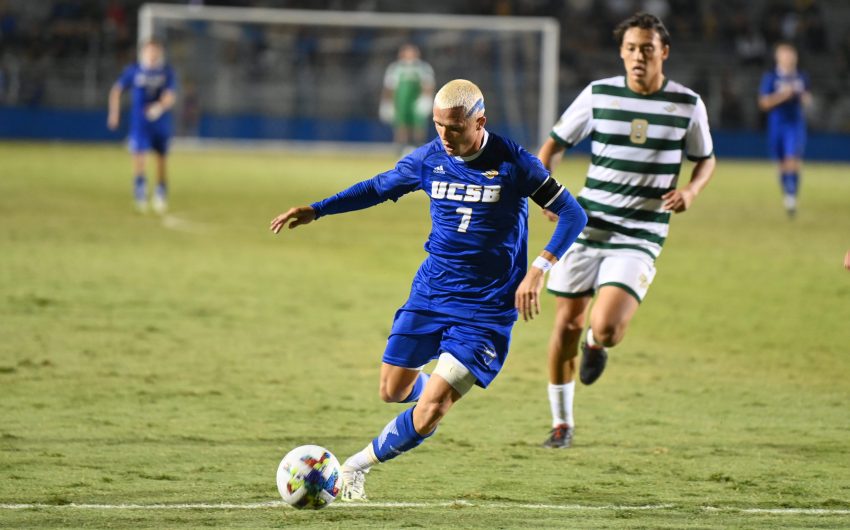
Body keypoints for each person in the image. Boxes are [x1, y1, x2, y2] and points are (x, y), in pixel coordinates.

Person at [270, 79, 587, 500]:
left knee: (431, 408)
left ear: (480, 122)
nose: (445, 136)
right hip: (432, 293)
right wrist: (319, 209)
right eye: (438, 126)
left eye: (454, 128)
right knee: (392, 391)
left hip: (487, 308)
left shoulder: (515, 162)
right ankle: (430, 396)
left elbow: (572, 213)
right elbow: (377, 187)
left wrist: (539, 268)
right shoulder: (429, 159)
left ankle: (354, 468)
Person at [535, 12, 716, 448]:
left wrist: (691, 191)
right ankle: (562, 425)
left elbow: (705, 158)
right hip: (588, 224)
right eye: (632, 48)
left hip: (640, 233)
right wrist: (547, 193)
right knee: (567, 325)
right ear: (622, 52)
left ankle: (599, 345)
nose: (639, 56)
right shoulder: (598, 95)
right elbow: (554, 146)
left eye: (647, 49)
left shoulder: (687, 104)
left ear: (664, 52)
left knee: (608, 326)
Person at [108, 39, 177, 214]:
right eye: (149, 51)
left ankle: (160, 190)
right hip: (139, 122)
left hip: (160, 122)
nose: (152, 54)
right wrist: (114, 113)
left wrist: (158, 107)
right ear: (144, 52)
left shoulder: (166, 72)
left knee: (161, 158)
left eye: (155, 51)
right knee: (139, 155)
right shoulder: (134, 71)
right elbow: (116, 90)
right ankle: (140, 187)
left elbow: (170, 96)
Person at [758, 42, 811, 218]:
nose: (788, 58)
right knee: (781, 163)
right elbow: (763, 103)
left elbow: (808, 99)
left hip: (794, 124)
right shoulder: (771, 77)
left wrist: (803, 98)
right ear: (778, 57)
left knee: (792, 160)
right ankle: (787, 195)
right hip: (776, 124)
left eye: (791, 54)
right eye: (784, 54)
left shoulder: (801, 76)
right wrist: (782, 96)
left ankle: (792, 197)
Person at [380, 43, 435, 150]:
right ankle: (400, 148)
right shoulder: (395, 68)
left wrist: (426, 100)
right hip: (400, 102)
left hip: (416, 101)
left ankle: (418, 148)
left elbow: (428, 85)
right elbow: (389, 87)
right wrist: (387, 103)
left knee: (418, 125)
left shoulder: (423, 68)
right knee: (401, 125)